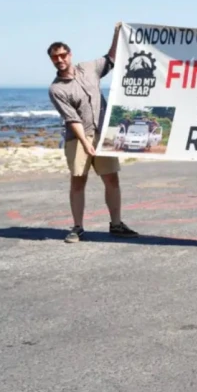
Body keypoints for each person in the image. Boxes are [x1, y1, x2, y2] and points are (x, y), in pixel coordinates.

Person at [47, 22, 139, 243]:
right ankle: (78, 227)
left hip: (103, 133)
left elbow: (111, 58)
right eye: (55, 58)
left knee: (112, 180)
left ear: (69, 54)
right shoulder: (56, 88)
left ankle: (116, 224)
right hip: (78, 138)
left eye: (62, 55)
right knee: (78, 181)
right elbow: (72, 119)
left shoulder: (89, 68)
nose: (60, 60)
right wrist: (86, 143)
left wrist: (117, 34)